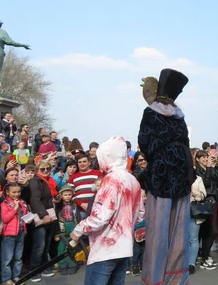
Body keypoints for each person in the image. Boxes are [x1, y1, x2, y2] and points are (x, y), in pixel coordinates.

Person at [137, 69, 195, 285]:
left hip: (161, 178)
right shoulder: (180, 117)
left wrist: (158, 153)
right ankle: (176, 279)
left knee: (158, 232)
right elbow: (186, 146)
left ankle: (155, 278)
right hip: (181, 177)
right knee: (178, 232)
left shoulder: (150, 113)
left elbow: (144, 143)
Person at [70, 136, 143, 285]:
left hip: (105, 249)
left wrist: (78, 230)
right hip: (124, 247)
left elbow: (100, 217)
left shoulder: (110, 180)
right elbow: (140, 214)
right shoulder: (133, 180)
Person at [0, 182, 29, 285]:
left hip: (21, 232)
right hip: (9, 235)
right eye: (14, 192)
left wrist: (28, 219)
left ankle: (16, 276)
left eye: (18, 192)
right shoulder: (5, 204)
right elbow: (5, 218)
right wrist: (15, 208)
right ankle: (6, 279)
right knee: (7, 258)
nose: (16, 194)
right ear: (7, 192)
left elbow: (25, 215)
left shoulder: (22, 202)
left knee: (18, 257)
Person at [54, 184, 79, 275]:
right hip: (62, 227)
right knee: (61, 248)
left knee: (72, 247)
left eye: (69, 194)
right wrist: (56, 234)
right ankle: (62, 265)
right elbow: (56, 219)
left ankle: (73, 264)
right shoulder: (58, 206)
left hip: (72, 226)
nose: (68, 196)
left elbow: (77, 217)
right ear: (61, 195)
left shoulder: (74, 205)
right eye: (65, 195)